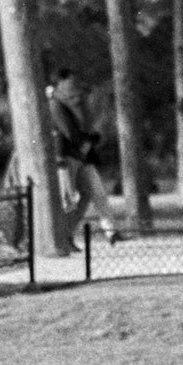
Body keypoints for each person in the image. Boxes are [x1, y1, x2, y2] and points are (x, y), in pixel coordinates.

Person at [47, 69, 124, 243]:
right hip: (68, 156)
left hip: (82, 156)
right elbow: (68, 132)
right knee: (68, 199)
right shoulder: (56, 104)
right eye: (70, 81)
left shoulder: (75, 103)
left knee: (94, 193)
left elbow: (86, 125)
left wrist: (90, 139)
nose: (74, 86)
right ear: (61, 83)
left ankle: (108, 231)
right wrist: (88, 141)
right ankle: (64, 236)